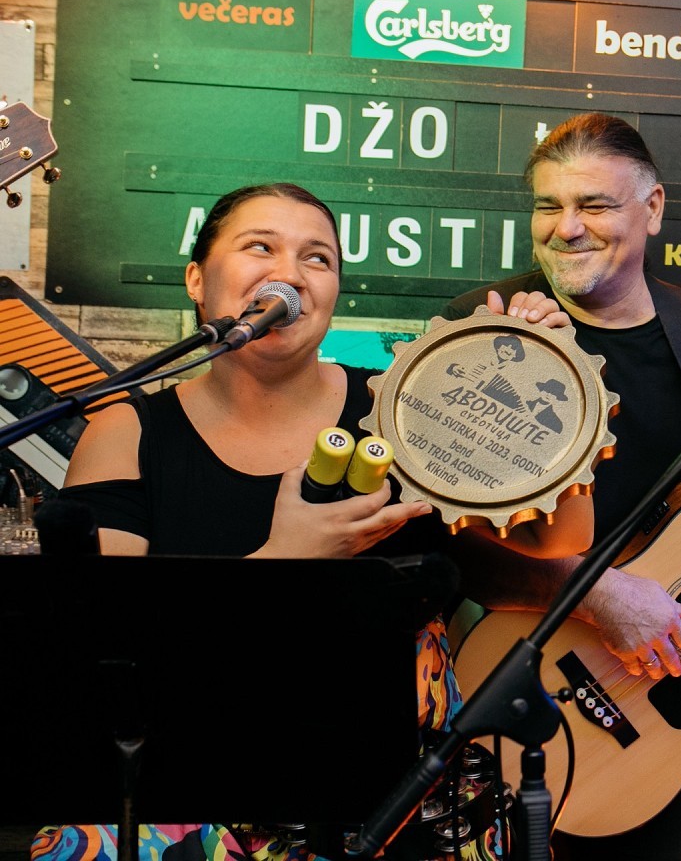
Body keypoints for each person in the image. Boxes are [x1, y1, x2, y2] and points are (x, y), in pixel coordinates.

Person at [33, 183, 581, 861]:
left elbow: (560, 537)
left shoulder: (403, 407)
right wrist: (285, 562)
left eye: (317, 258)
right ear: (197, 280)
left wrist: (553, 378)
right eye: (259, 247)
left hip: (398, 794)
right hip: (195, 782)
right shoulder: (128, 431)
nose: (289, 273)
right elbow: (106, 657)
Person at [441, 112, 681, 861]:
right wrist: (599, 596)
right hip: (508, 686)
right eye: (548, 206)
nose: (566, 228)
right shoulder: (478, 326)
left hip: (649, 731)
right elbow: (435, 533)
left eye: (595, 205)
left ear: (653, 208)